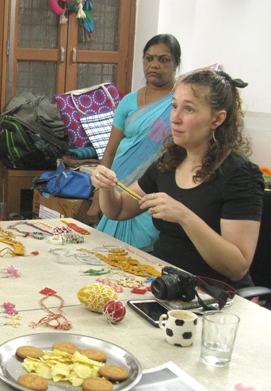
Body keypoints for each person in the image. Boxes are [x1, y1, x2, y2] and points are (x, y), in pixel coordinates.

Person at [93, 70, 264, 289]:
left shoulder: (241, 176)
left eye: (189, 109)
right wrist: (106, 186)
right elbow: (118, 210)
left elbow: (237, 267)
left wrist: (183, 216)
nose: (175, 118)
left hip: (215, 296)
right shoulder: (169, 162)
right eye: (174, 106)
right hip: (167, 285)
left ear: (217, 119)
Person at [92, 34, 181, 248]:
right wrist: (98, 194)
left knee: (143, 252)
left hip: (155, 189)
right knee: (107, 253)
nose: (154, 65)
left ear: (176, 64)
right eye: (149, 59)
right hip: (119, 183)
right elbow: (111, 150)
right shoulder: (128, 101)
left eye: (163, 59)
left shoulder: (180, 102)